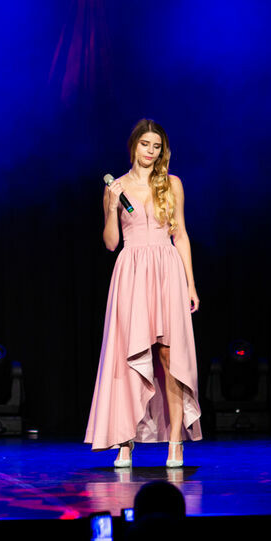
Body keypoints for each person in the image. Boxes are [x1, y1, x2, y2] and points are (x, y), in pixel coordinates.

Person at [85, 119, 200, 468]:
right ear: (133, 145)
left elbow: (181, 235)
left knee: (170, 356)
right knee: (129, 356)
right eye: (145, 144)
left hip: (166, 270)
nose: (150, 151)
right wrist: (111, 207)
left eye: (156, 146)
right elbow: (111, 243)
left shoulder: (172, 184)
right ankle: (125, 440)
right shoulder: (116, 187)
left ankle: (175, 443)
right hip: (132, 272)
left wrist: (190, 284)